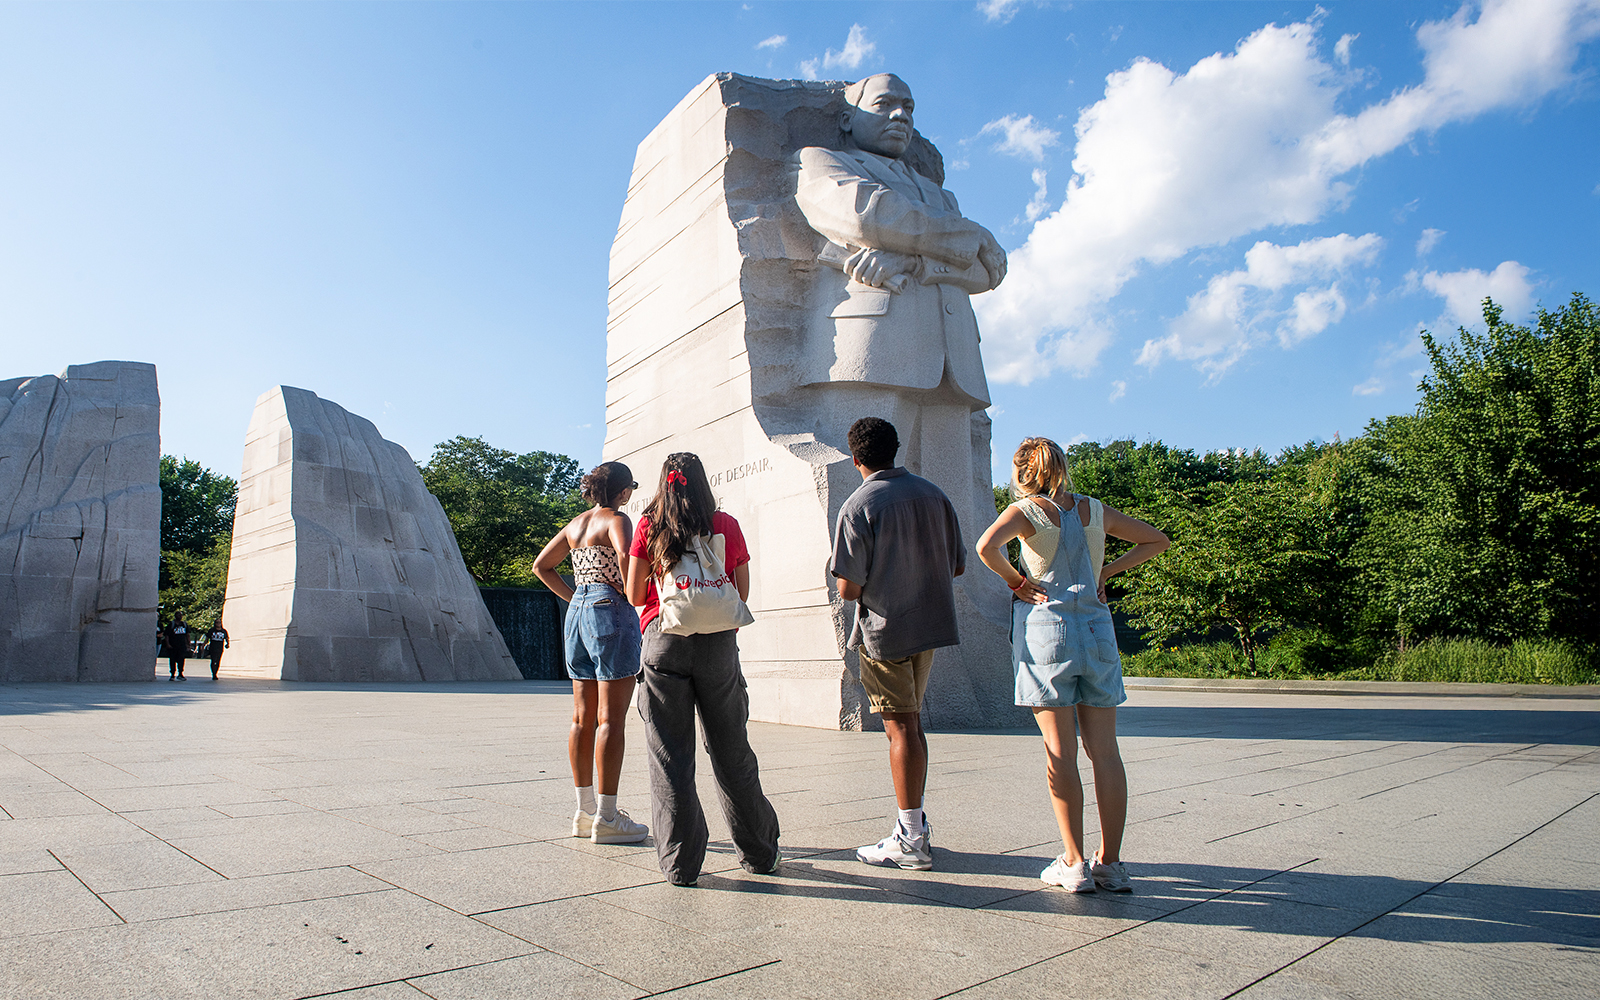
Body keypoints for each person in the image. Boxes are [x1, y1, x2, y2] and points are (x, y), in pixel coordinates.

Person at [975, 437, 1169, 893]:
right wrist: (1106, 571)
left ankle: (1075, 861)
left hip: (1048, 633)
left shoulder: (1027, 512)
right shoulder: (1095, 510)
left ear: (1023, 472)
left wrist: (1018, 581)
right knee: (1106, 753)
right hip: (1097, 633)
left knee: (1060, 752)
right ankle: (1113, 863)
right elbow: (1156, 540)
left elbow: (986, 547)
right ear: (1062, 465)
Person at [624, 453, 780, 886]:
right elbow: (741, 590)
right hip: (718, 647)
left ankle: (681, 864)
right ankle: (760, 852)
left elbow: (637, 594)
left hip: (663, 645)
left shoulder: (649, 526)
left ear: (664, 484)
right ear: (702, 482)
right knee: (731, 750)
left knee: (670, 757)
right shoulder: (725, 524)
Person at [829, 417, 966, 871]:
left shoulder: (858, 505)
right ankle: (915, 824)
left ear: (855, 458)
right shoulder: (934, 495)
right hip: (929, 624)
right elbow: (958, 565)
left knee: (900, 728)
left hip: (885, 631)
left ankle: (911, 838)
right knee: (913, 724)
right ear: (896, 449)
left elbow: (849, 588)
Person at [533, 462, 649, 846]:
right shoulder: (617, 519)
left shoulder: (576, 524)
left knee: (582, 718)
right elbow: (625, 557)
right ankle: (608, 817)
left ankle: (584, 812)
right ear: (623, 491)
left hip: (578, 612)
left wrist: (575, 598)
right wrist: (630, 589)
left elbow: (542, 566)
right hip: (610, 609)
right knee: (611, 720)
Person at [159, 611, 191, 681]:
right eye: (178, 615)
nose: (180, 616)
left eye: (181, 615)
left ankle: (180, 674)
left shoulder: (184, 624)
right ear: (175, 616)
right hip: (173, 646)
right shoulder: (171, 624)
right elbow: (167, 635)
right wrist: (168, 644)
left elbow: (187, 635)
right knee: (172, 660)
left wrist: (188, 645)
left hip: (182, 646)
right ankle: (172, 674)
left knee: (181, 660)